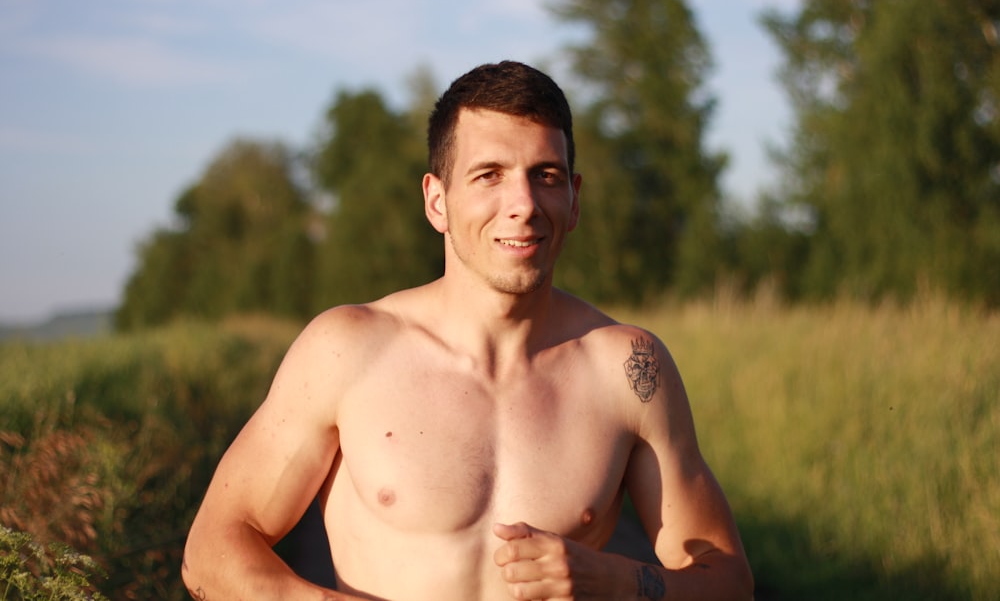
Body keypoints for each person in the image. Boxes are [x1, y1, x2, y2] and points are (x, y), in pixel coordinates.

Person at [182, 60, 753, 600]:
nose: (524, 204)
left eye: (545, 176)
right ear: (437, 201)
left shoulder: (629, 369)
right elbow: (211, 550)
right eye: (489, 176)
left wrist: (619, 582)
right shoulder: (348, 350)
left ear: (574, 199)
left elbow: (730, 581)